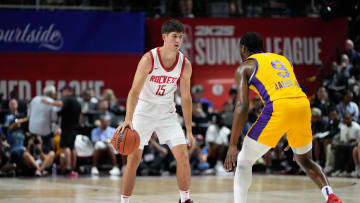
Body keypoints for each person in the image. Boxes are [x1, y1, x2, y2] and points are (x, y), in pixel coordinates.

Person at [224, 32, 342, 203]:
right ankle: (330, 195)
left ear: (243, 48)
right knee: (305, 160)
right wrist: (290, 130)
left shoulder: (245, 67)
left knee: (243, 160)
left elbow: (242, 105)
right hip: (302, 105)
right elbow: (288, 92)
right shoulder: (282, 60)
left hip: (279, 107)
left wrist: (233, 144)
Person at [115, 19, 194, 203]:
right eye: (175, 36)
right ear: (164, 37)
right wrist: (128, 118)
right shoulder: (148, 59)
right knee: (133, 159)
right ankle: (124, 201)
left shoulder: (185, 64)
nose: (178, 41)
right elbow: (134, 91)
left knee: (182, 155)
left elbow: (186, 98)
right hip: (143, 111)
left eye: (181, 37)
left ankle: (185, 199)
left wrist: (189, 129)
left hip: (167, 113)